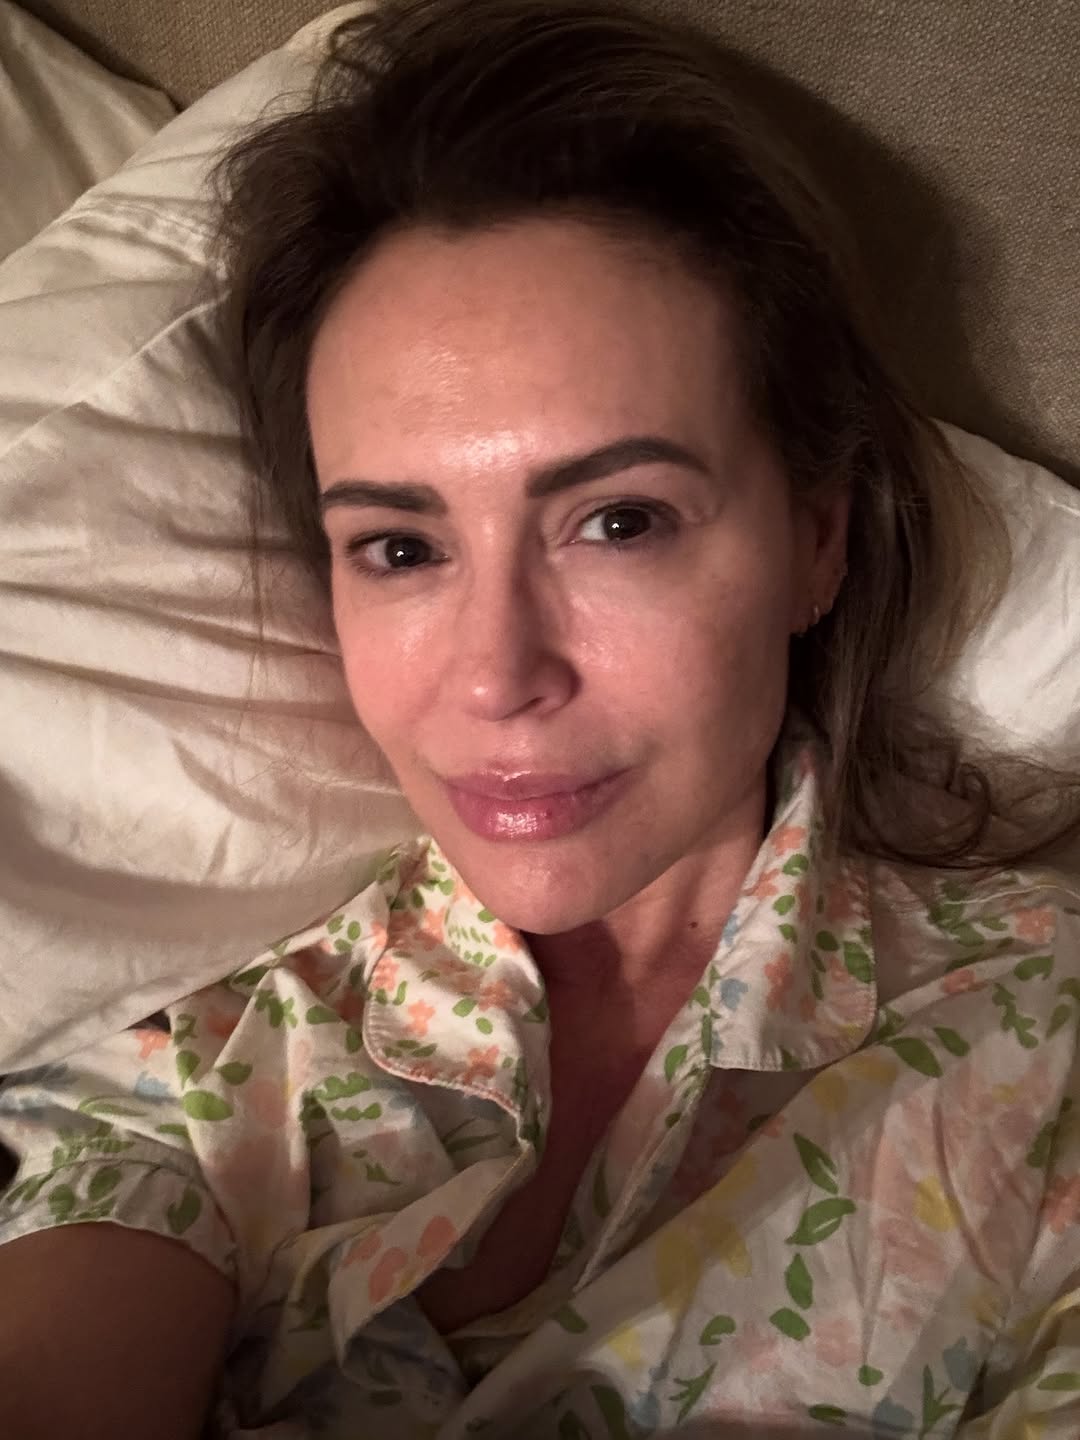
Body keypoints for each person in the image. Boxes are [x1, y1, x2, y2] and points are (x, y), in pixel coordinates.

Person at [2, 1, 1079, 1436]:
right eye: (402, 547)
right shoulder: (225, 1036)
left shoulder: (1040, 1046)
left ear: (817, 540)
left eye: (619, 520)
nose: (496, 675)